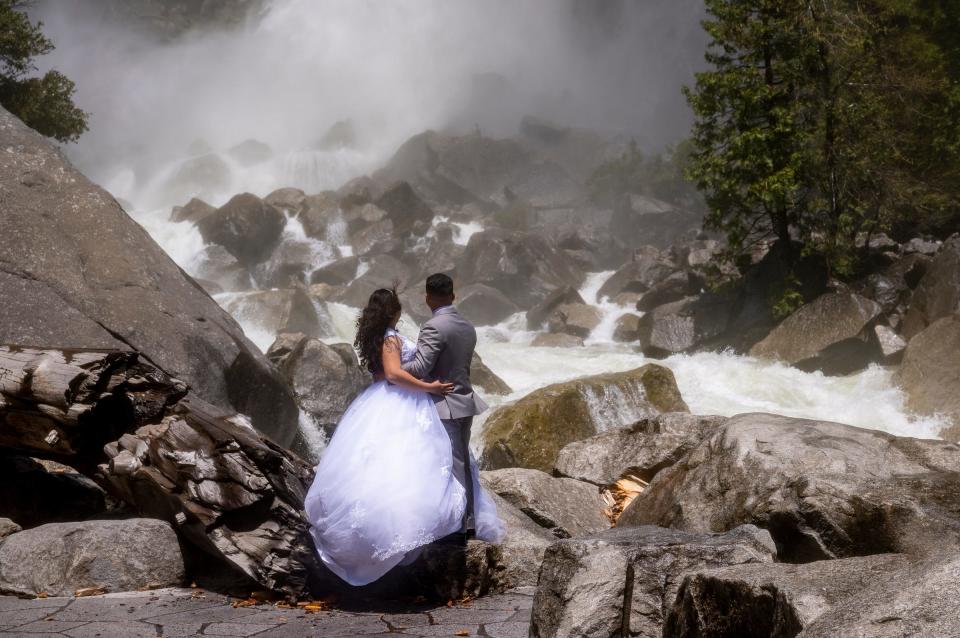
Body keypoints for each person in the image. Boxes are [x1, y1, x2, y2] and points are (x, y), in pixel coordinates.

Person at [304, 286, 505, 587]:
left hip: (380, 399)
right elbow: (395, 374)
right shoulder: (390, 337)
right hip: (402, 399)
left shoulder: (378, 337)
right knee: (408, 461)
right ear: (394, 311)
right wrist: (430, 387)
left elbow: (384, 374)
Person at [401, 273, 489, 541]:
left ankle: (458, 524)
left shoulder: (433, 327)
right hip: (465, 400)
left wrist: (391, 370)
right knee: (463, 462)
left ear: (427, 298)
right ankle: (469, 520)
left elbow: (420, 367)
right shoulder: (467, 326)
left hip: (443, 404)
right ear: (453, 295)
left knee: (451, 464)